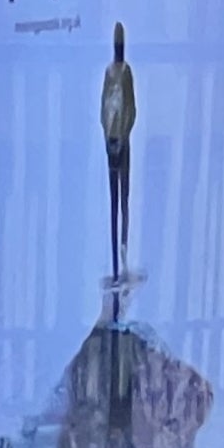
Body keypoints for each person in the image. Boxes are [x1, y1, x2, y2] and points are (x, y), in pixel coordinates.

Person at [101, 22, 137, 302]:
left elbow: (131, 107)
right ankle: (114, 265)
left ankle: (124, 258)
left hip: (122, 139)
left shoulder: (126, 73)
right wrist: (109, 135)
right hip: (111, 139)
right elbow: (105, 107)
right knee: (114, 202)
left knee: (124, 200)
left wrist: (123, 135)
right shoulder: (109, 72)